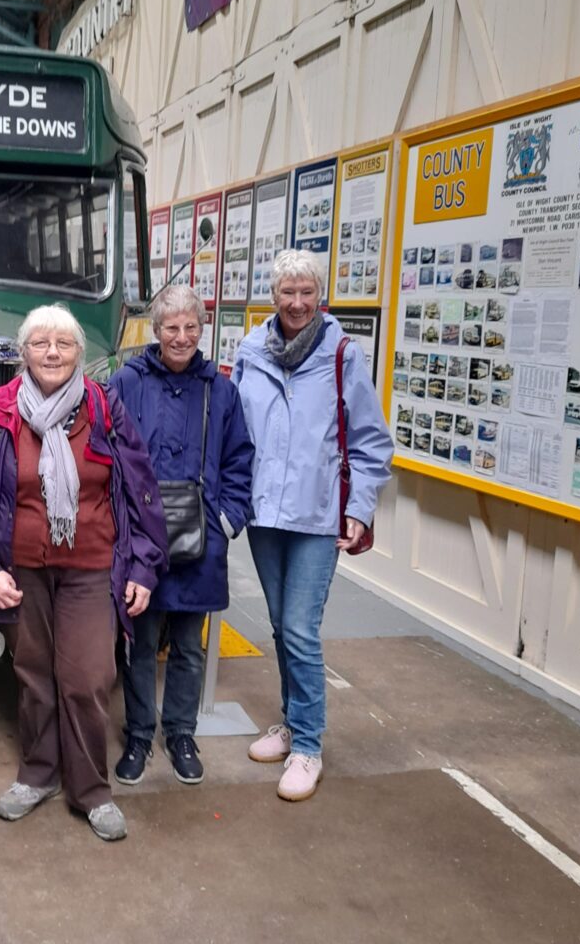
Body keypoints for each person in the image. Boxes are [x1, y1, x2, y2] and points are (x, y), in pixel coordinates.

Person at [0, 304, 167, 842]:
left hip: (93, 566)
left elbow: (141, 490)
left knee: (88, 678)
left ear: (79, 352)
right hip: (22, 570)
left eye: (64, 344)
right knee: (33, 676)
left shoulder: (104, 407)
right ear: (23, 352)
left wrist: (144, 565)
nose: (52, 353)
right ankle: (38, 774)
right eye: (41, 343)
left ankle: (91, 790)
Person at [232, 249, 392, 802]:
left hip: (318, 515)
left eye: (307, 292)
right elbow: (236, 429)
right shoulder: (251, 351)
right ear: (273, 296)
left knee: (300, 628)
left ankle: (307, 745)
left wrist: (359, 507)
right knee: (280, 626)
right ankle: (291, 721)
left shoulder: (343, 354)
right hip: (264, 514)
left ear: (320, 296)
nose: (297, 303)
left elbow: (371, 441)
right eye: (287, 292)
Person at [108, 285, 253, 786]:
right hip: (140, 539)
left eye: (191, 327)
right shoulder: (127, 382)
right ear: (156, 330)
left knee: (189, 646)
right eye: (171, 327)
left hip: (201, 540)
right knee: (140, 644)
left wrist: (227, 521)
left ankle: (181, 734)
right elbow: (106, 450)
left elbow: (240, 459)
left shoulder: (221, 391)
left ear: (202, 329)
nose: (181, 336)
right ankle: (139, 735)